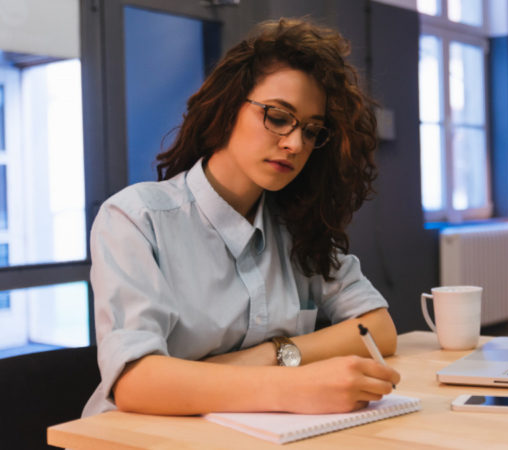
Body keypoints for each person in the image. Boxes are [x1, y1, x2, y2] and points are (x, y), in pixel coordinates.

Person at [82, 18, 400, 417]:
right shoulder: (135, 218)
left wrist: (276, 354)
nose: (295, 143)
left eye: (312, 130)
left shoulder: (297, 226)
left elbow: (378, 328)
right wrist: (291, 386)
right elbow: (136, 383)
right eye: (278, 117)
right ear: (228, 107)